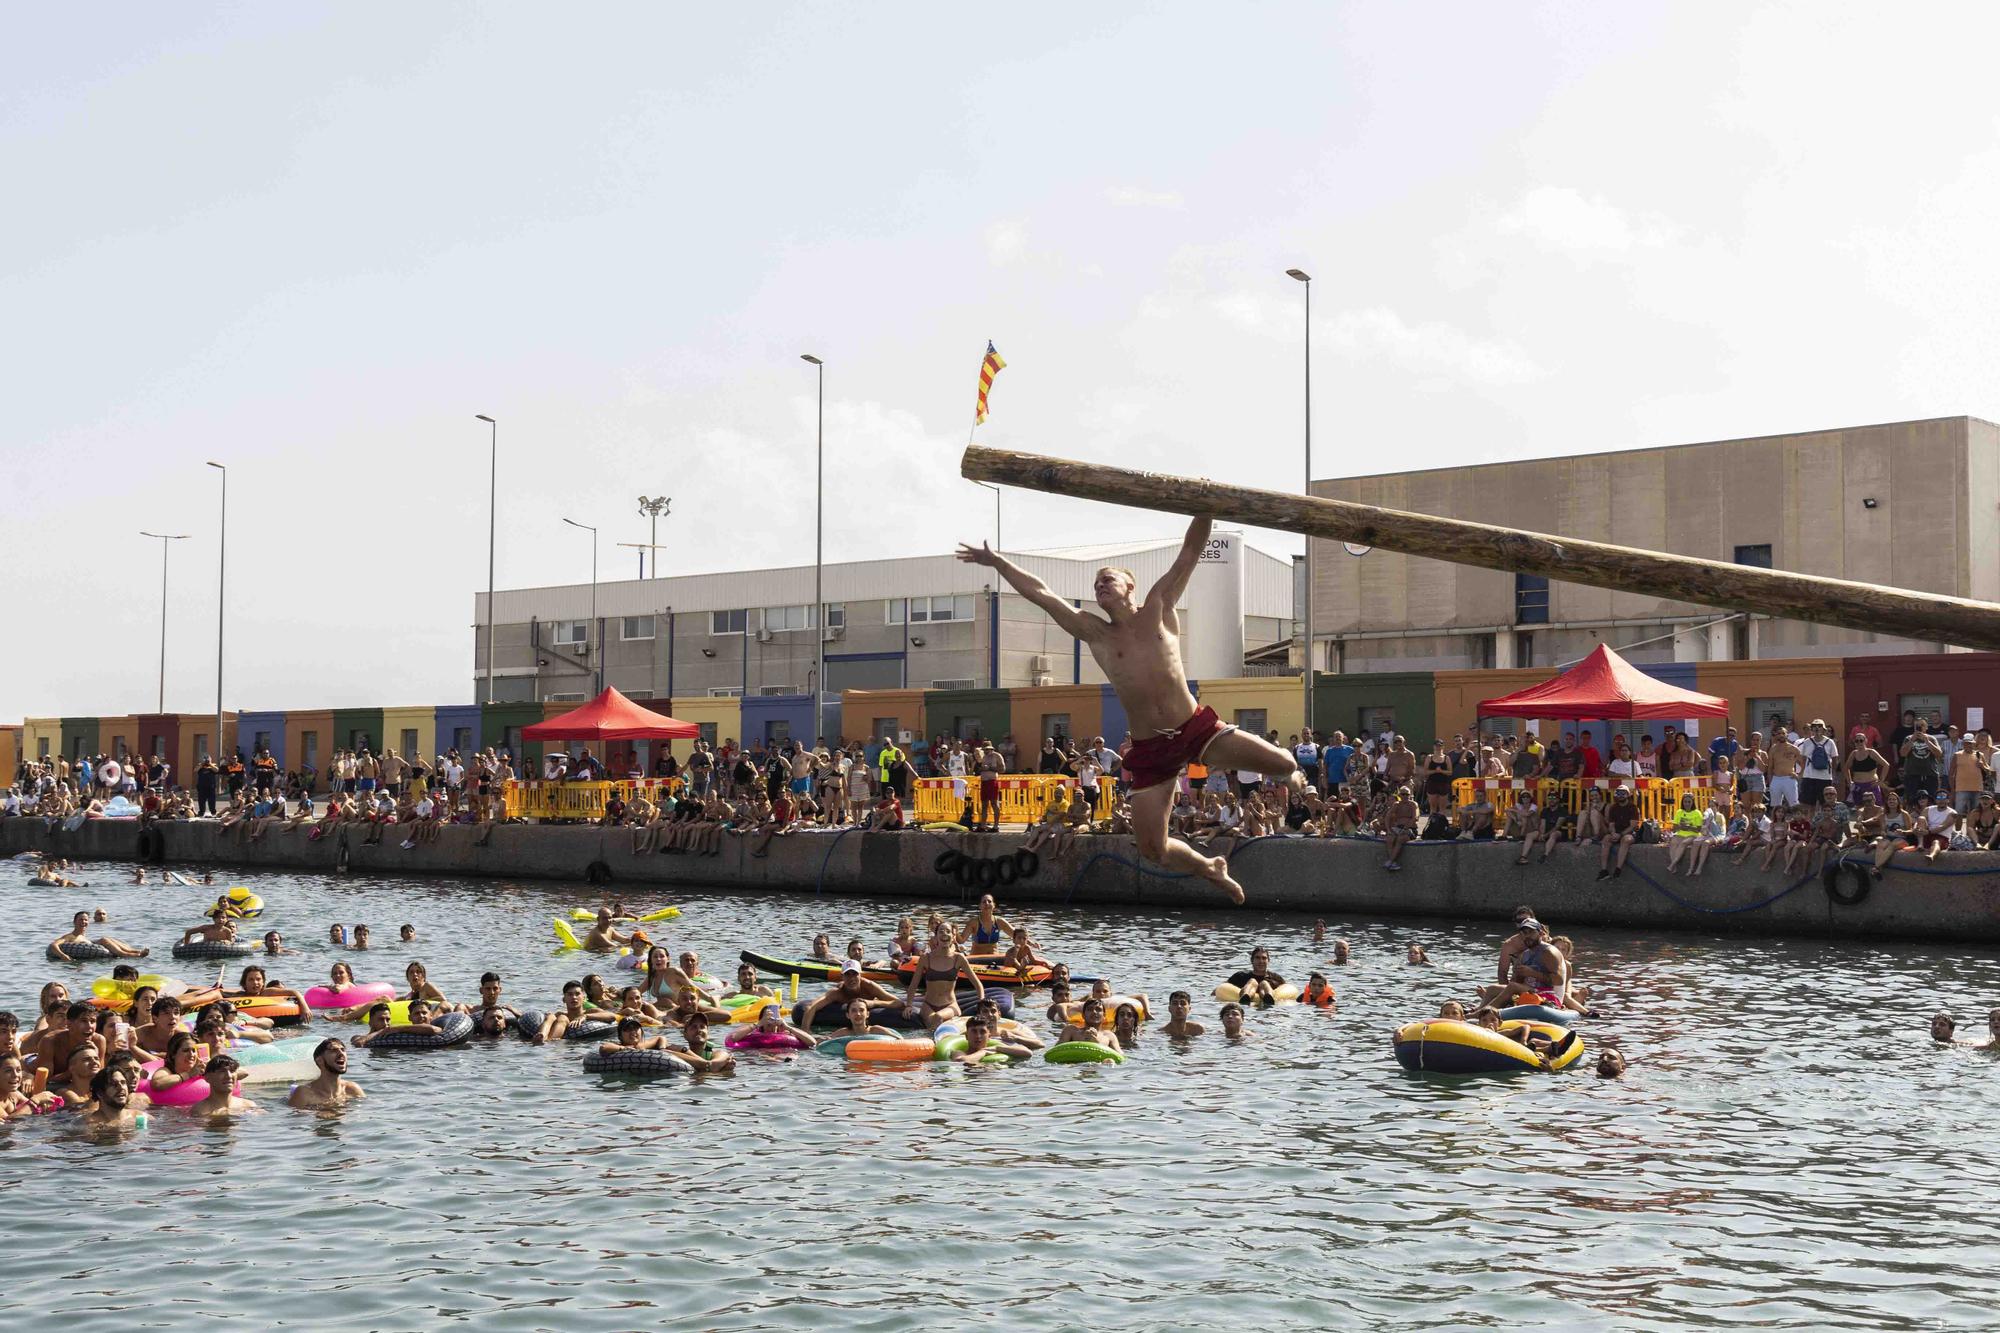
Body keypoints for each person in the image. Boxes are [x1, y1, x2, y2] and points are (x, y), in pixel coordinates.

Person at [958, 527, 1300, 903]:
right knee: (1151, 848)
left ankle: (1297, 777)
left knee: (1282, 762)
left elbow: (1189, 552)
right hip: (1152, 748)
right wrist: (998, 562)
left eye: (1107, 579)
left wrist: (1206, 507)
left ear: (1130, 586)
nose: (1100, 586)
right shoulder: (1095, 632)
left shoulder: (1159, 606)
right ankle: (1209, 867)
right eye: (1095, 583)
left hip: (1196, 730)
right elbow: (1042, 595)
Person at [902, 921, 983, 1029]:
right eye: (941, 931)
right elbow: (913, 985)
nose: (944, 934)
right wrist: (908, 1005)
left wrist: (981, 1004)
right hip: (928, 1005)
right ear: (936, 937)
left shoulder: (958, 958)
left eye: (948, 931)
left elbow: (977, 984)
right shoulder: (926, 958)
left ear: (953, 937)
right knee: (933, 1021)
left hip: (950, 1006)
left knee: (938, 1017)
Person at [288, 1038, 366, 1108]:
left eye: (343, 1050)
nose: (341, 1053)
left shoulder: (352, 1089)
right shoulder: (304, 1093)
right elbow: (294, 1121)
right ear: (320, 1061)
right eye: (333, 1050)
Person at [49, 911, 148, 960]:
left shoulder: (82, 936)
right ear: (74, 922)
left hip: (92, 948)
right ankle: (130, 955)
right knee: (104, 939)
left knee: (105, 938)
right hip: (79, 956)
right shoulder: (70, 936)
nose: (83, 922)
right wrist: (63, 956)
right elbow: (54, 945)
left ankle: (135, 951)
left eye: (86, 920)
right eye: (81, 920)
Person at [188, 1054, 258, 1117]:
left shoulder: (249, 1106)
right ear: (207, 1078)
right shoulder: (201, 1111)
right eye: (222, 1071)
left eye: (232, 1071)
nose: (229, 1076)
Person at [1596, 787, 1640, 880]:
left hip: (1629, 833)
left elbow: (1632, 826)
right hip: (1616, 832)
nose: (1620, 796)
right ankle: (1604, 870)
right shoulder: (1613, 807)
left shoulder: (1633, 807)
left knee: (1626, 840)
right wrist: (1613, 833)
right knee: (1606, 839)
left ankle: (1618, 868)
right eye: (1618, 793)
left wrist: (1620, 834)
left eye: (1623, 793)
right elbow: (1611, 824)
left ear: (1628, 795)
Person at [669, 1013, 735, 1072]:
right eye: (694, 1027)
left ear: (708, 1034)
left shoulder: (720, 1054)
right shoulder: (680, 1052)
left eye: (702, 1027)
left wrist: (682, 1051)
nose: (699, 1030)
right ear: (685, 1035)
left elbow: (712, 1066)